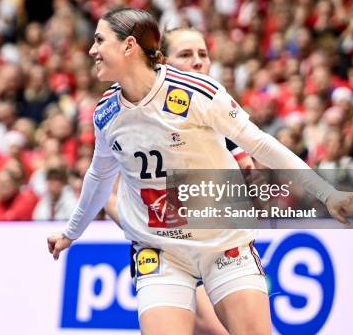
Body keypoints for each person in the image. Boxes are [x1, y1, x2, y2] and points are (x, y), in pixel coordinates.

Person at [47, 8, 353, 335]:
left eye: (99, 40)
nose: (92, 50)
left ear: (128, 46)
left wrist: (327, 192)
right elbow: (99, 176)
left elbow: (262, 144)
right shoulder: (106, 113)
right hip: (161, 251)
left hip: (222, 241)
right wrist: (71, 233)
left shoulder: (198, 93)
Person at [104, 26, 254, 335]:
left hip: (219, 245)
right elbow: (107, 192)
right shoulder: (139, 115)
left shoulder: (216, 110)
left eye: (203, 54)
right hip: (169, 251)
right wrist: (149, 228)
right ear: (162, 64)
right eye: (186, 55)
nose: (199, 62)